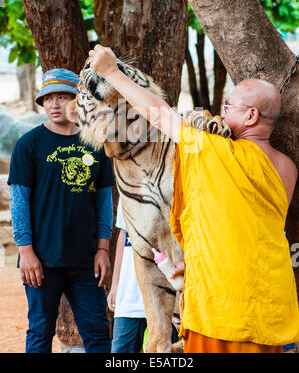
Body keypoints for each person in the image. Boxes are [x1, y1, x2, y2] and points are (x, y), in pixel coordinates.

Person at [87, 44, 299, 353]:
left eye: (229, 105)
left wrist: (109, 72)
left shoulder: (212, 150)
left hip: (221, 303)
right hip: (270, 304)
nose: (222, 112)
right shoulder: (287, 166)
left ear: (252, 115)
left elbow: (158, 115)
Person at [8, 68, 115, 353]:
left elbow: (104, 201)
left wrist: (103, 249)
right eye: (49, 98)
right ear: (42, 103)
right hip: (42, 260)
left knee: (97, 333)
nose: (55, 104)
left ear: (77, 100)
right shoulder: (29, 145)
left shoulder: (95, 144)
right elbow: (19, 202)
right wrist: (26, 251)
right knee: (40, 332)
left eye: (63, 96)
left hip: (86, 259)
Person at [107, 199, 147, 353]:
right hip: (129, 295)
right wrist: (116, 285)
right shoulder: (126, 186)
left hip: (163, 297)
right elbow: (123, 235)